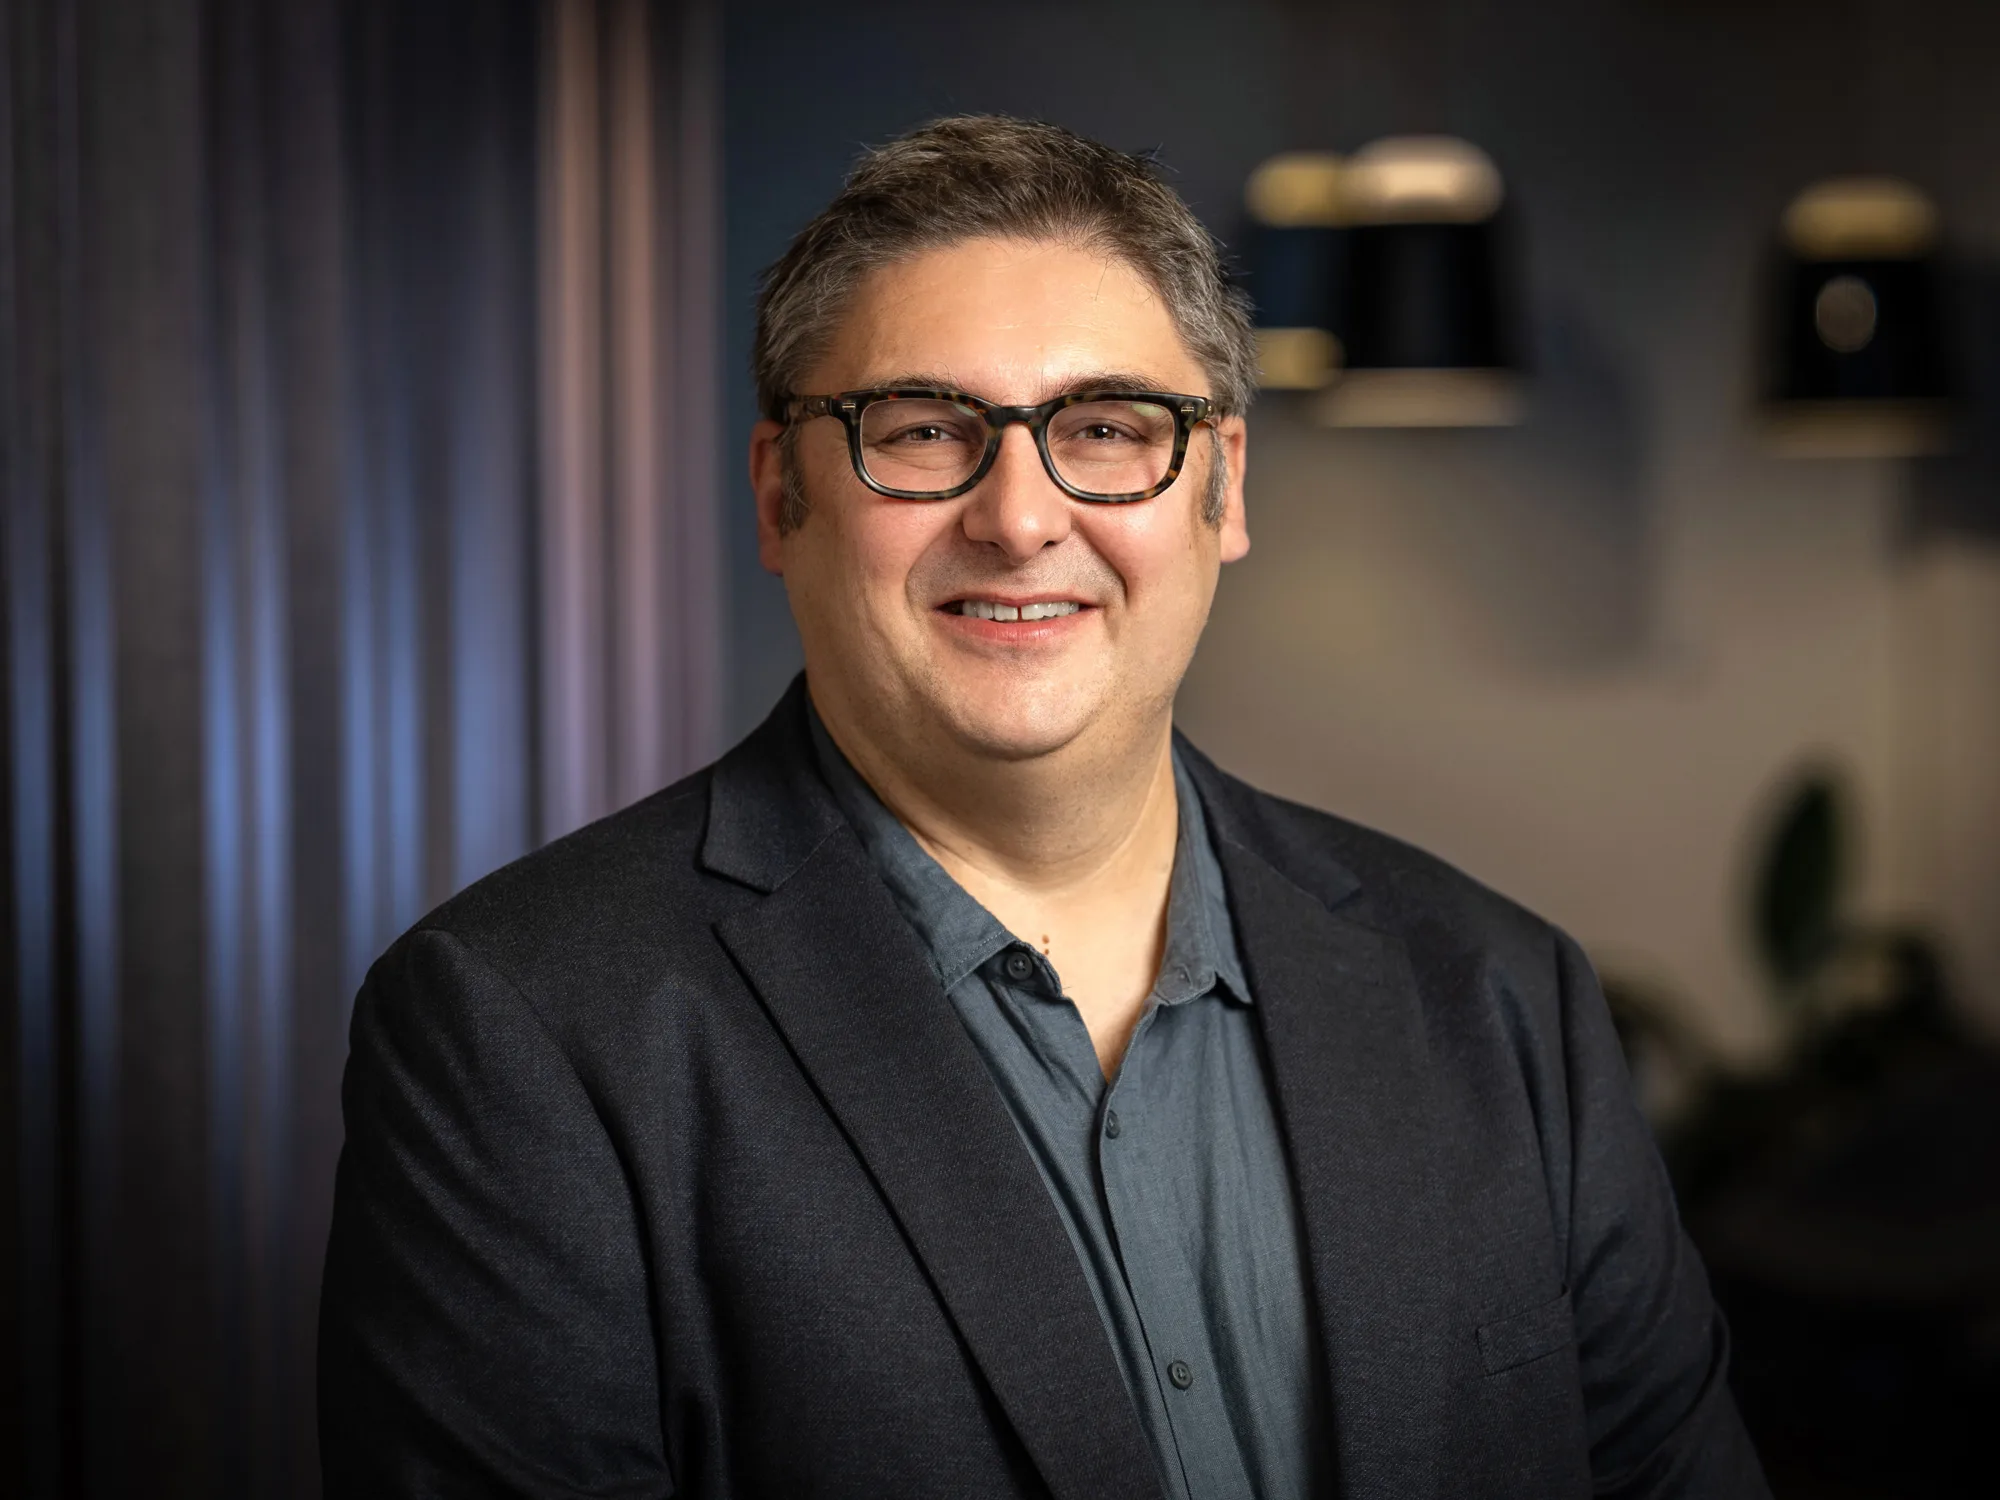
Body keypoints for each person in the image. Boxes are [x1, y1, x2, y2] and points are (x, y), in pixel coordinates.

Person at [319, 115, 1768, 1500]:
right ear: (778, 499)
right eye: (921, 429)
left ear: (1222, 491)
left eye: (1111, 427)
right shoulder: (522, 1031)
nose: (1020, 518)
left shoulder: (1503, 995)